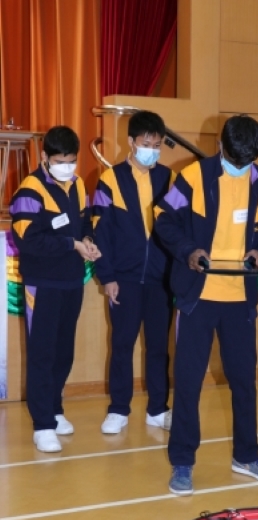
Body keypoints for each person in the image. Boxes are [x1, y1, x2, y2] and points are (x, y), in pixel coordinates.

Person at [155, 114, 258, 495]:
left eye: (248, 162)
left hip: (240, 299)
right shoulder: (193, 176)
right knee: (188, 382)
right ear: (221, 146)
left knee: (244, 381)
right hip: (198, 297)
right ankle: (182, 461)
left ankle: (246, 455)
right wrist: (188, 251)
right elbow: (163, 220)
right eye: (234, 160)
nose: (241, 168)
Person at [9, 125, 101, 453]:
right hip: (42, 283)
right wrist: (71, 244)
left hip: (71, 280)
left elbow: (85, 221)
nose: (67, 167)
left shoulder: (77, 184)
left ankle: (55, 408)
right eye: (60, 161)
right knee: (42, 353)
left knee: (64, 352)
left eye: (72, 161)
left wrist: (87, 240)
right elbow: (28, 240)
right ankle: (42, 424)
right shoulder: (29, 191)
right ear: (45, 158)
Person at [93, 110, 174, 435]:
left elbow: (178, 229)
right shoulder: (110, 180)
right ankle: (118, 409)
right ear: (131, 142)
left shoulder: (169, 179)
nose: (151, 151)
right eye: (146, 144)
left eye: (157, 145)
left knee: (159, 347)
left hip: (160, 280)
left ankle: (158, 408)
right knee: (122, 344)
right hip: (123, 279)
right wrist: (107, 276)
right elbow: (100, 232)